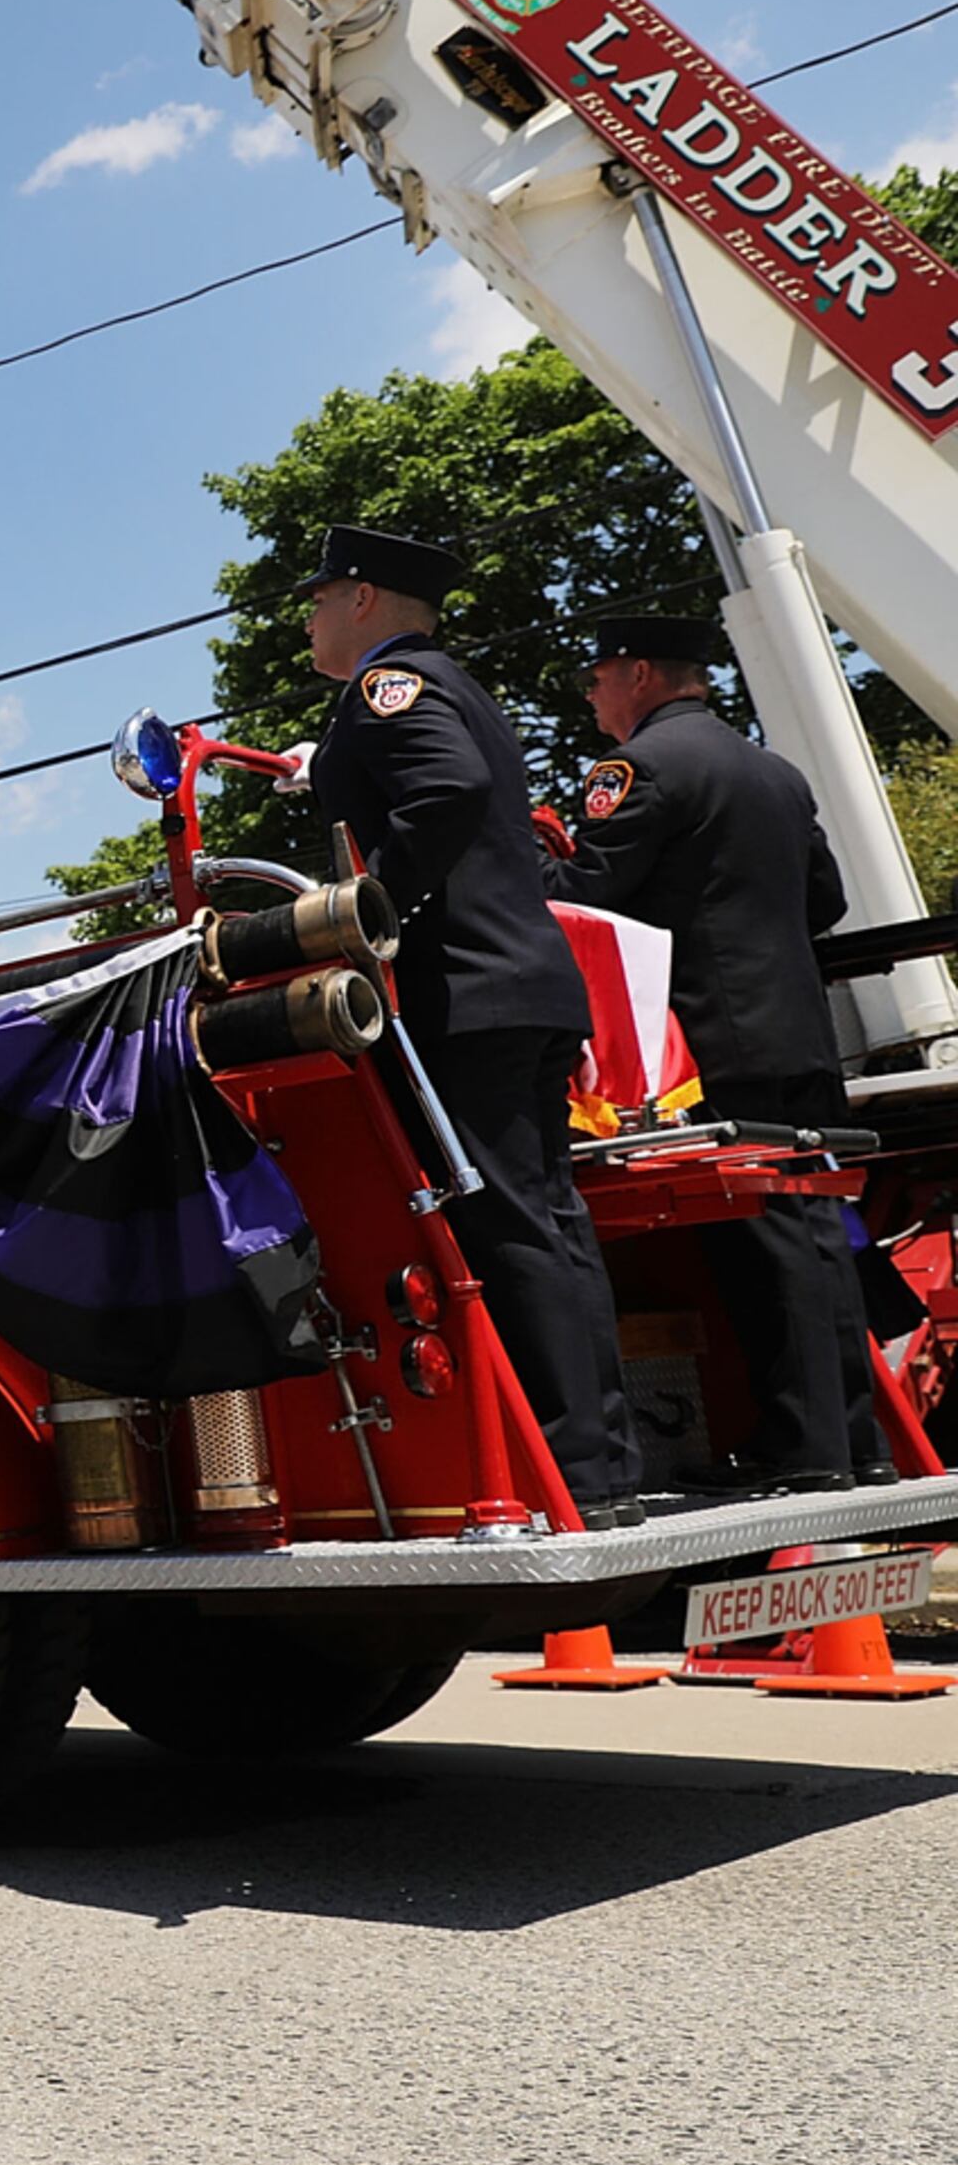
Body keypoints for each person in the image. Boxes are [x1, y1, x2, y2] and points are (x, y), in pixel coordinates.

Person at [300, 526, 642, 1523]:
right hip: (521, 985)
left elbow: (444, 792)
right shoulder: (451, 684)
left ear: (363, 599)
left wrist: (368, 913)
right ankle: (598, 1464)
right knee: (551, 1227)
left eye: (320, 599)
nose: (311, 618)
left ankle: (569, 1471)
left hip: (466, 994)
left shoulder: (385, 688)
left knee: (509, 1229)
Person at [544, 610, 885, 1490]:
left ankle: (804, 1453)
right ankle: (854, 1443)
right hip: (801, 1030)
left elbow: (587, 893)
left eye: (598, 678)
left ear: (641, 675)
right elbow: (826, 901)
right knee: (817, 1234)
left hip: (713, 1042)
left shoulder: (640, 768)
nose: (592, 696)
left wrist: (512, 868)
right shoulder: (774, 771)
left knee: (761, 1246)